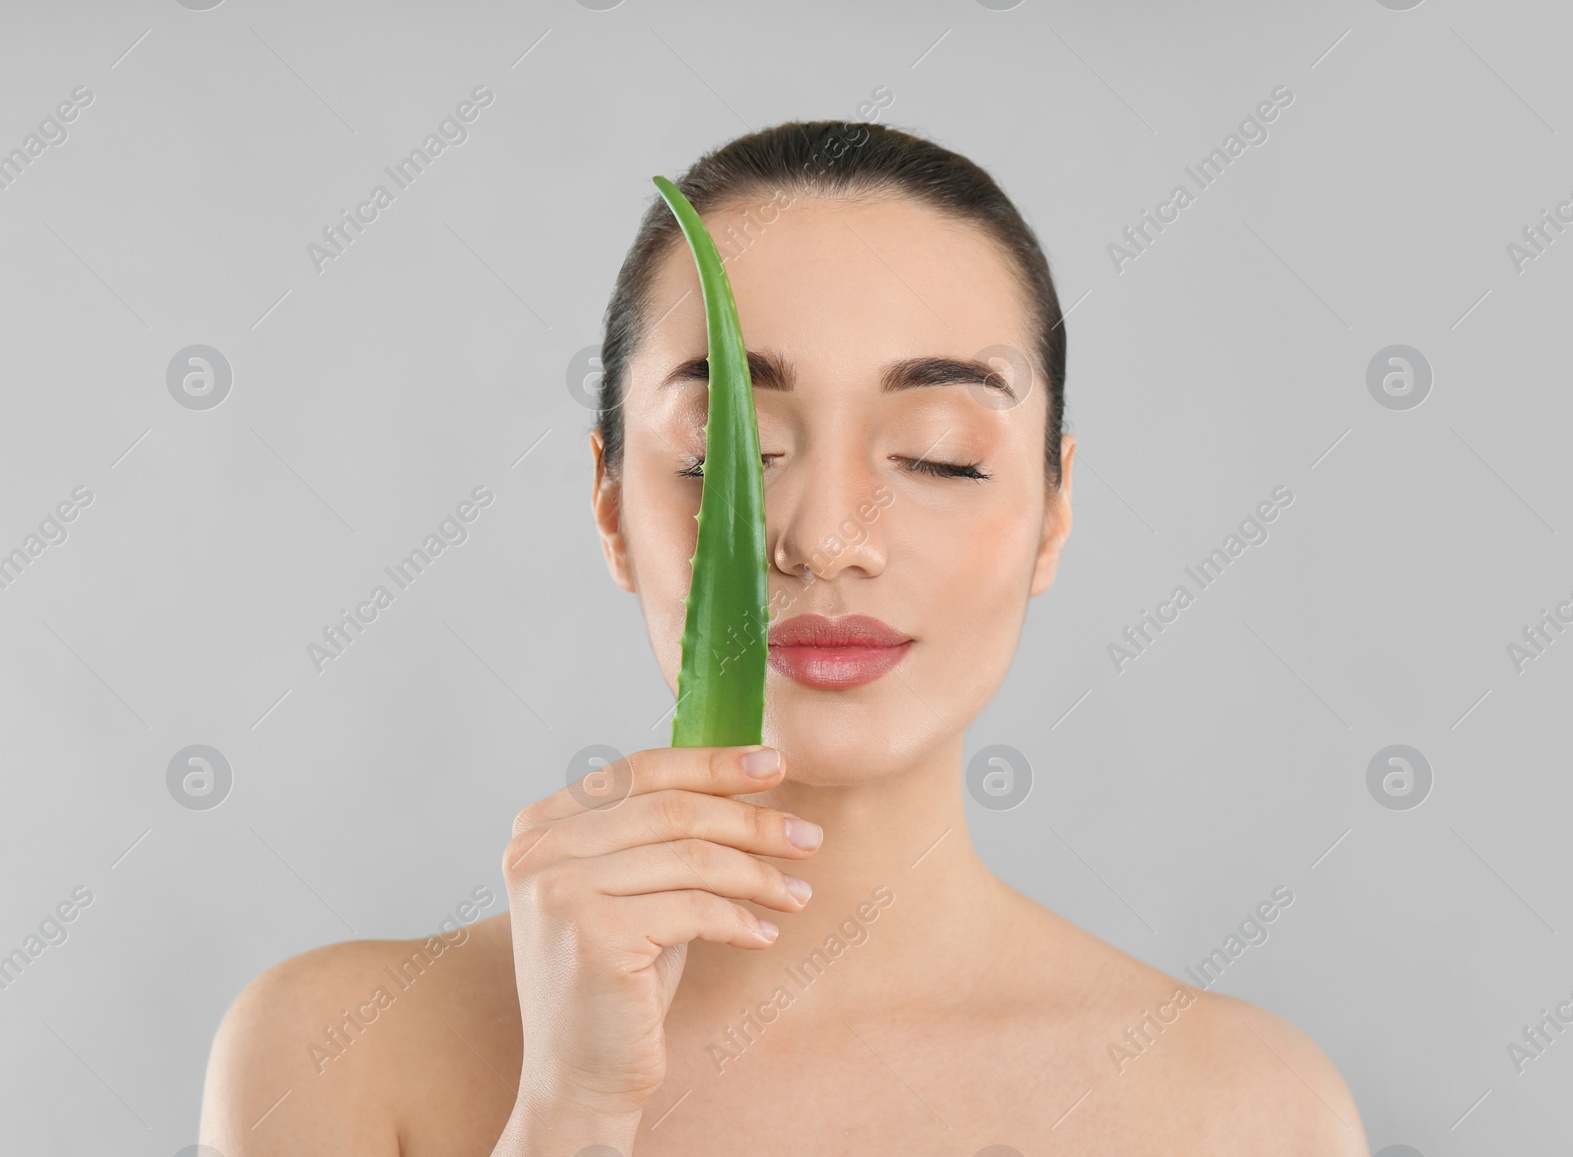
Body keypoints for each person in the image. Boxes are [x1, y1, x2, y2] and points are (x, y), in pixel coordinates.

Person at [199, 121, 1367, 1155]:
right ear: (610, 504)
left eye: (941, 453)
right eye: (728, 454)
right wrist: (570, 1113)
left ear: (1052, 510)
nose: (822, 537)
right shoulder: (332, 1052)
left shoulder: (1242, 1108)